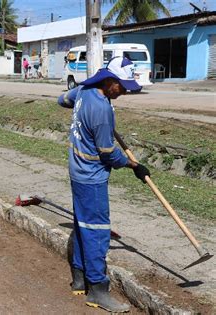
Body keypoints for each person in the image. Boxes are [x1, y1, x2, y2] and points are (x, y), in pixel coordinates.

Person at [57, 56, 150, 313]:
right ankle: (98, 289)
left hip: (76, 169)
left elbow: (61, 100)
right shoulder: (102, 110)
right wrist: (134, 166)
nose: (124, 92)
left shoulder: (83, 91)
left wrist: (80, 113)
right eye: (121, 86)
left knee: (81, 224)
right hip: (92, 177)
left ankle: (79, 277)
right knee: (97, 231)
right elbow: (108, 152)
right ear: (109, 82)